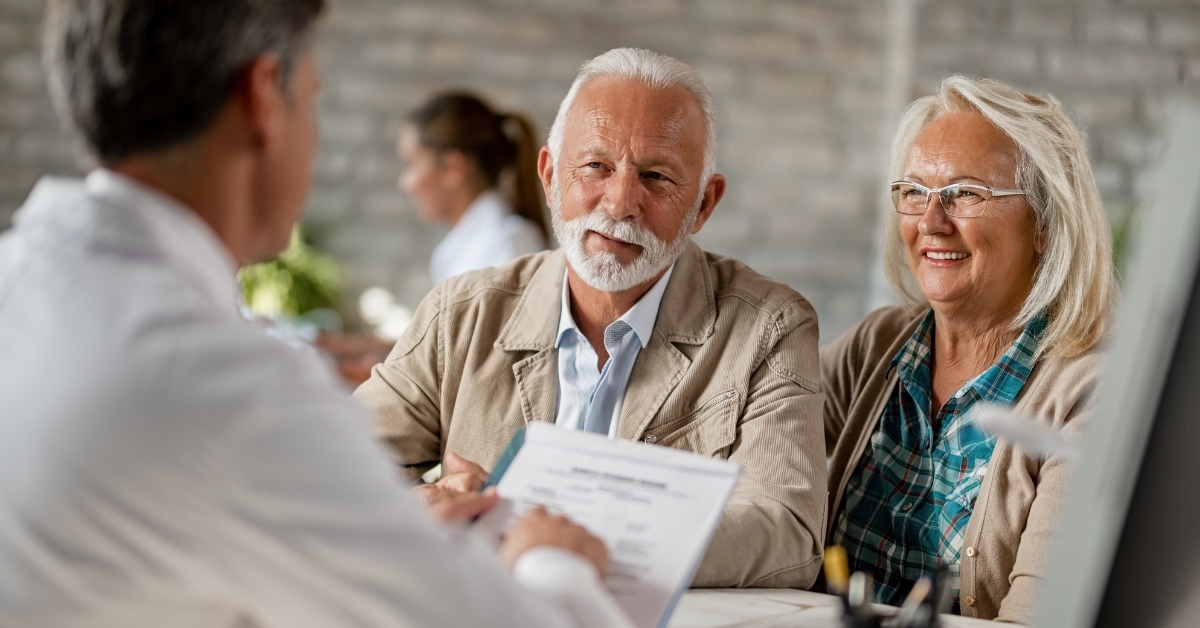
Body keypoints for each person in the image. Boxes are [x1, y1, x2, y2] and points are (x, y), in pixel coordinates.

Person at [0, 1, 635, 627]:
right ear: (262, 97)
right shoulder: (235, 391)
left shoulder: (21, 278)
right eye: (311, 98)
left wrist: (388, 529)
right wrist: (551, 560)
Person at [356, 47, 828, 589]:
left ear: (703, 204)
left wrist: (571, 540)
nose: (620, 202)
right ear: (550, 176)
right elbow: (332, 465)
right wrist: (422, 506)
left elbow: (787, 531)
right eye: (596, 167)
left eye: (656, 176)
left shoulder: (771, 328)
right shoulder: (460, 313)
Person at [822, 75, 1116, 622]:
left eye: (965, 194)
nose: (931, 223)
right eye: (915, 192)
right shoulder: (875, 345)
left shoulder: (1091, 395)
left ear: (1046, 223)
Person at [399, 91, 549, 284]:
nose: (405, 184)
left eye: (410, 165)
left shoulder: (506, 244)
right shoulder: (468, 246)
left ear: (452, 169)